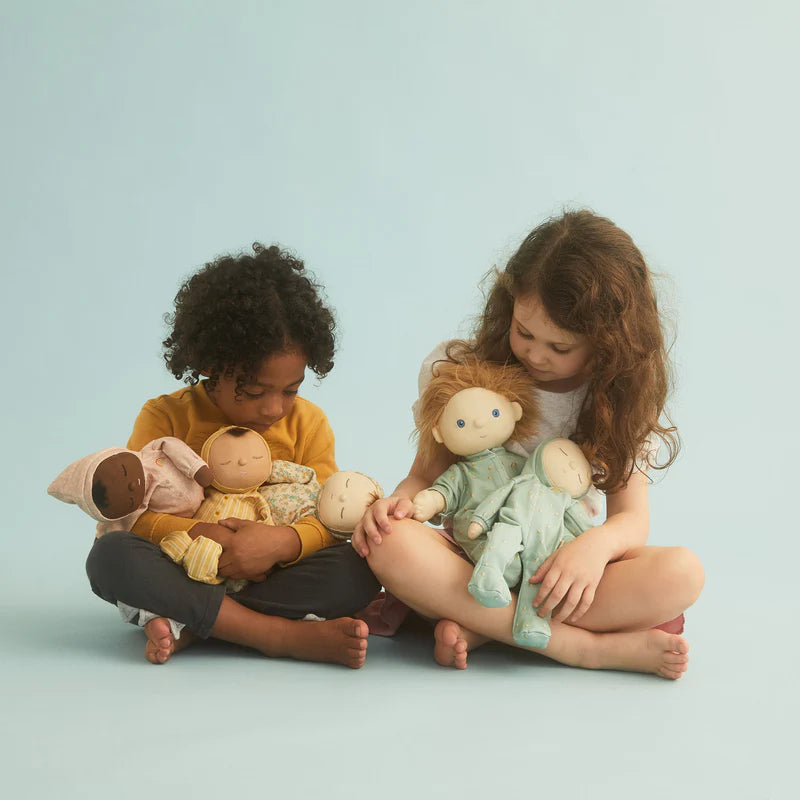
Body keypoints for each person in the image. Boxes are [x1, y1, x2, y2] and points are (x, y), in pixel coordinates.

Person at [352, 210, 704, 679]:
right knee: (388, 543)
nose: (536, 354)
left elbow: (631, 518)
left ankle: (485, 626)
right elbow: (423, 477)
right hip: (472, 559)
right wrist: (398, 503)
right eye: (524, 332)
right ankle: (584, 648)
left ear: (609, 344)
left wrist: (593, 549)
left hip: (559, 569)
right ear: (509, 303)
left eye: (560, 347)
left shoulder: (617, 401)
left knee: (683, 573)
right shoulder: (462, 370)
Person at [86, 243, 380, 668]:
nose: (274, 409)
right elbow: (135, 515)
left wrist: (283, 542)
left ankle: (195, 622)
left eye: (291, 390)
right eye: (255, 391)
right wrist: (206, 533)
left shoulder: (309, 423)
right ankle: (277, 635)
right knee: (111, 555)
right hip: (183, 566)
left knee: (361, 568)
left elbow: (332, 518)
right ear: (210, 365)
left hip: (272, 572)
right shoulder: (165, 417)